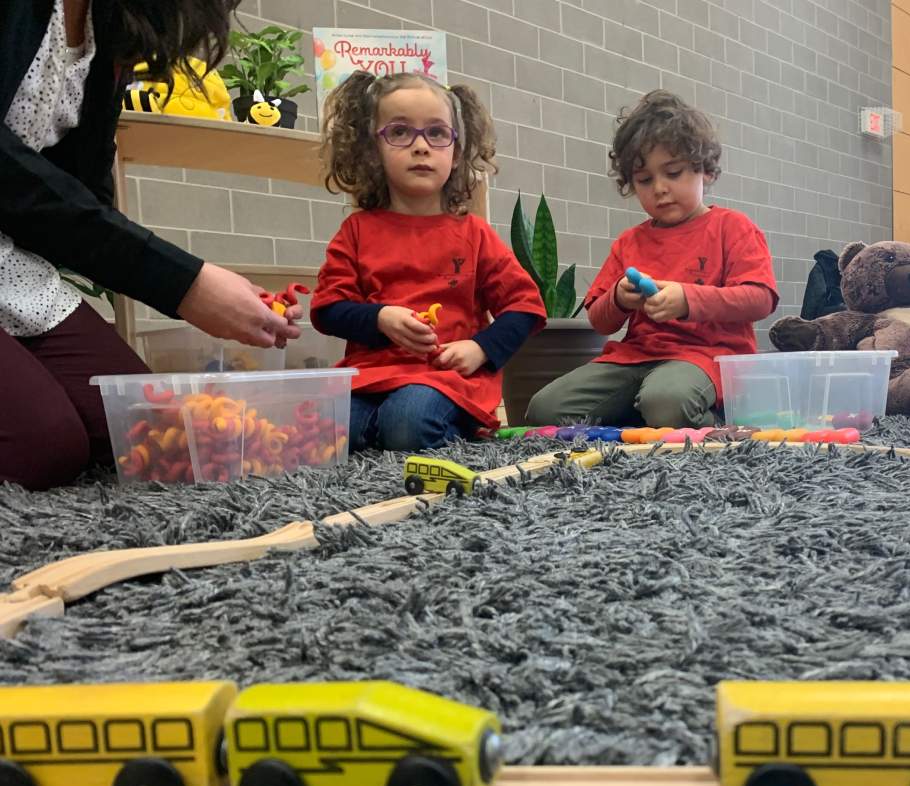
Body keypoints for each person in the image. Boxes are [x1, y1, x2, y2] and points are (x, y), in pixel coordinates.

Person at [1, 1, 301, 490]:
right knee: (41, 446)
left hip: (8, 268)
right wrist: (184, 283)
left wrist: (200, 284)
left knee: (146, 426)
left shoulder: (108, 27)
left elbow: (79, 196)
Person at [310, 71, 545, 451]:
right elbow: (328, 308)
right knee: (330, 432)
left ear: (455, 152)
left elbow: (525, 306)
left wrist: (480, 348)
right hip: (370, 376)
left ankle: (453, 437)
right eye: (400, 132)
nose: (421, 146)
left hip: (445, 377)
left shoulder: (474, 234)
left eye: (436, 133)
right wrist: (380, 318)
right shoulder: (356, 231)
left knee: (407, 423)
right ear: (373, 149)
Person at [526, 90, 778, 427]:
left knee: (665, 401)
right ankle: (649, 416)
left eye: (673, 173)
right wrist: (618, 297)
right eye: (644, 180)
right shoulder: (630, 241)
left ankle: (717, 424)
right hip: (635, 359)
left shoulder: (732, 228)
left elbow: (760, 299)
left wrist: (688, 300)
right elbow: (601, 322)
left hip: (708, 358)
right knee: (545, 410)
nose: (659, 188)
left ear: (706, 171)